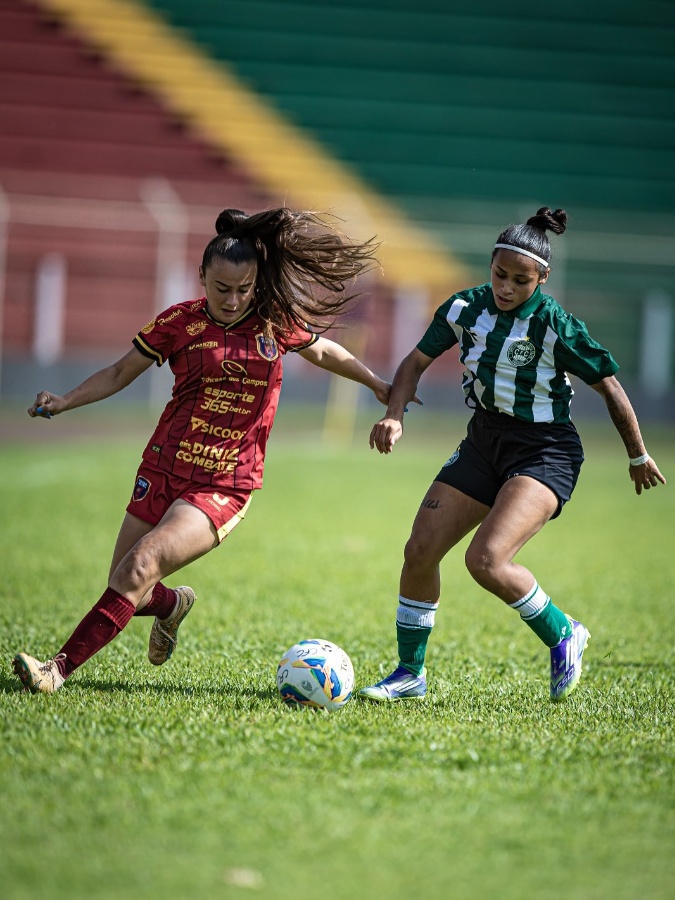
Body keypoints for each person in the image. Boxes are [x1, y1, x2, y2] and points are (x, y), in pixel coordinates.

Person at [14, 207, 391, 694]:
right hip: (162, 467)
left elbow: (323, 350)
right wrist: (65, 400)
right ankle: (171, 606)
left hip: (223, 484)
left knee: (136, 570)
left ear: (257, 282)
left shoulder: (273, 322)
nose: (233, 300)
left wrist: (376, 383)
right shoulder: (179, 323)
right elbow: (116, 373)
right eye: (222, 289)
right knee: (127, 583)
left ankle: (55, 671)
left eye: (244, 289)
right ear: (201, 279)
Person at [360, 207, 666, 704]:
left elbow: (609, 386)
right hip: (484, 440)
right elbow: (415, 361)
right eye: (499, 275)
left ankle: (564, 632)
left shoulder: (555, 326)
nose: (506, 287)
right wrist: (395, 413)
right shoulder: (463, 309)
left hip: (546, 449)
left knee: (486, 560)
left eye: (520, 281)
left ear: (542, 278)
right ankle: (409, 674)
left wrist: (637, 455)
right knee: (419, 551)